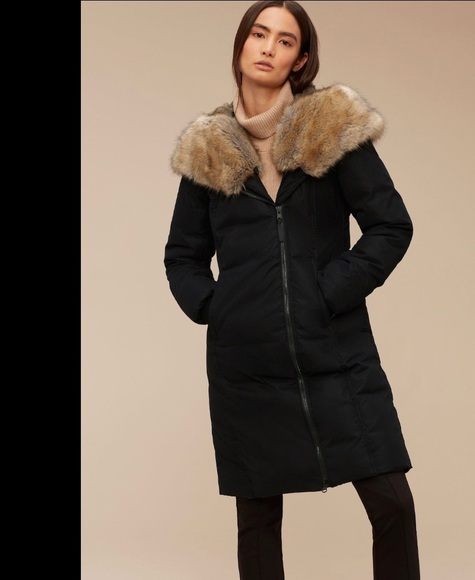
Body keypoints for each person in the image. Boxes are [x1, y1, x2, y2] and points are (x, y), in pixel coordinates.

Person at [164, 1, 420, 578]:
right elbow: (182, 256)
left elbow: (391, 226)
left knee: (392, 504)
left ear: (300, 59)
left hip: (336, 352)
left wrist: (326, 293)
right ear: (241, 43)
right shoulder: (209, 148)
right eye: (259, 34)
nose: (268, 48)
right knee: (257, 523)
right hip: (247, 366)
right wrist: (221, 308)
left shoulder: (330, 130)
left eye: (284, 40)